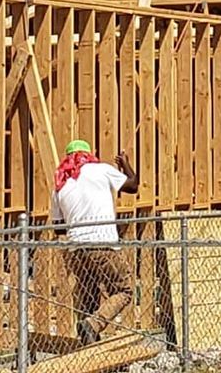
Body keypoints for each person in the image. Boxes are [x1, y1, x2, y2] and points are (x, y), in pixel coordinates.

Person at [52, 140, 140, 344]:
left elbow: (58, 227)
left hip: (76, 249)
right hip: (102, 243)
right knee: (124, 290)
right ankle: (94, 325)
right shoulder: (101, 170)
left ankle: (88, 341)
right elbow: (133, 185)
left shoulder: (60, 184)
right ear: (88, 155)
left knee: (89, 296)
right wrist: (125, 163)